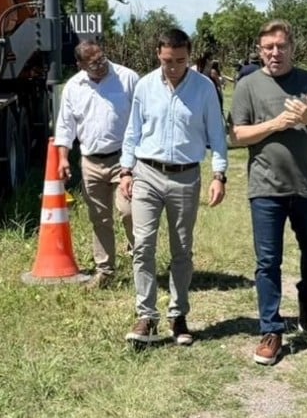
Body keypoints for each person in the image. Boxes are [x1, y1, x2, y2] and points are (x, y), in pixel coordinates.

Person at [230, 19, 307, 366]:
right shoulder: (248, 85)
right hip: (265, 188)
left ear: (292, 47)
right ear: (260, 50)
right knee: (267, 262)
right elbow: (238, 135)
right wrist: (275, 125)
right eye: (268, 47)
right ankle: (271, 329)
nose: (274, 53)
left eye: (281, 46)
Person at [119, 28, 228, 346]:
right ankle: (146, 316)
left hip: (185, 176)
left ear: (189, 56)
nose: (173, 67)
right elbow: (132, 132)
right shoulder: (145, 86)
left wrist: (218, 175)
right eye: (168, 60)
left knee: (182, 250)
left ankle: (178, 316)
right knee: (143, 246)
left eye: (180, 61)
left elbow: (217, 136)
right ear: (158, 54)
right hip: (147, 173)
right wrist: (126, 171)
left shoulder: (204, 88)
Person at [53, 39, 140, 288]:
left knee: (130, 211)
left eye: (102, 58)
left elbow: (143, 116)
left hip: (125, 159)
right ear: (80, 65)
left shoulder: (127, 78)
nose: (101, 65)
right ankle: (105, 271)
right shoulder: (73, 87)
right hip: (90, 161)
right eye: (93, 63)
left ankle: (141, 261)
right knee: (99, 218)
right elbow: (65, 126)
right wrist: (62, 158)